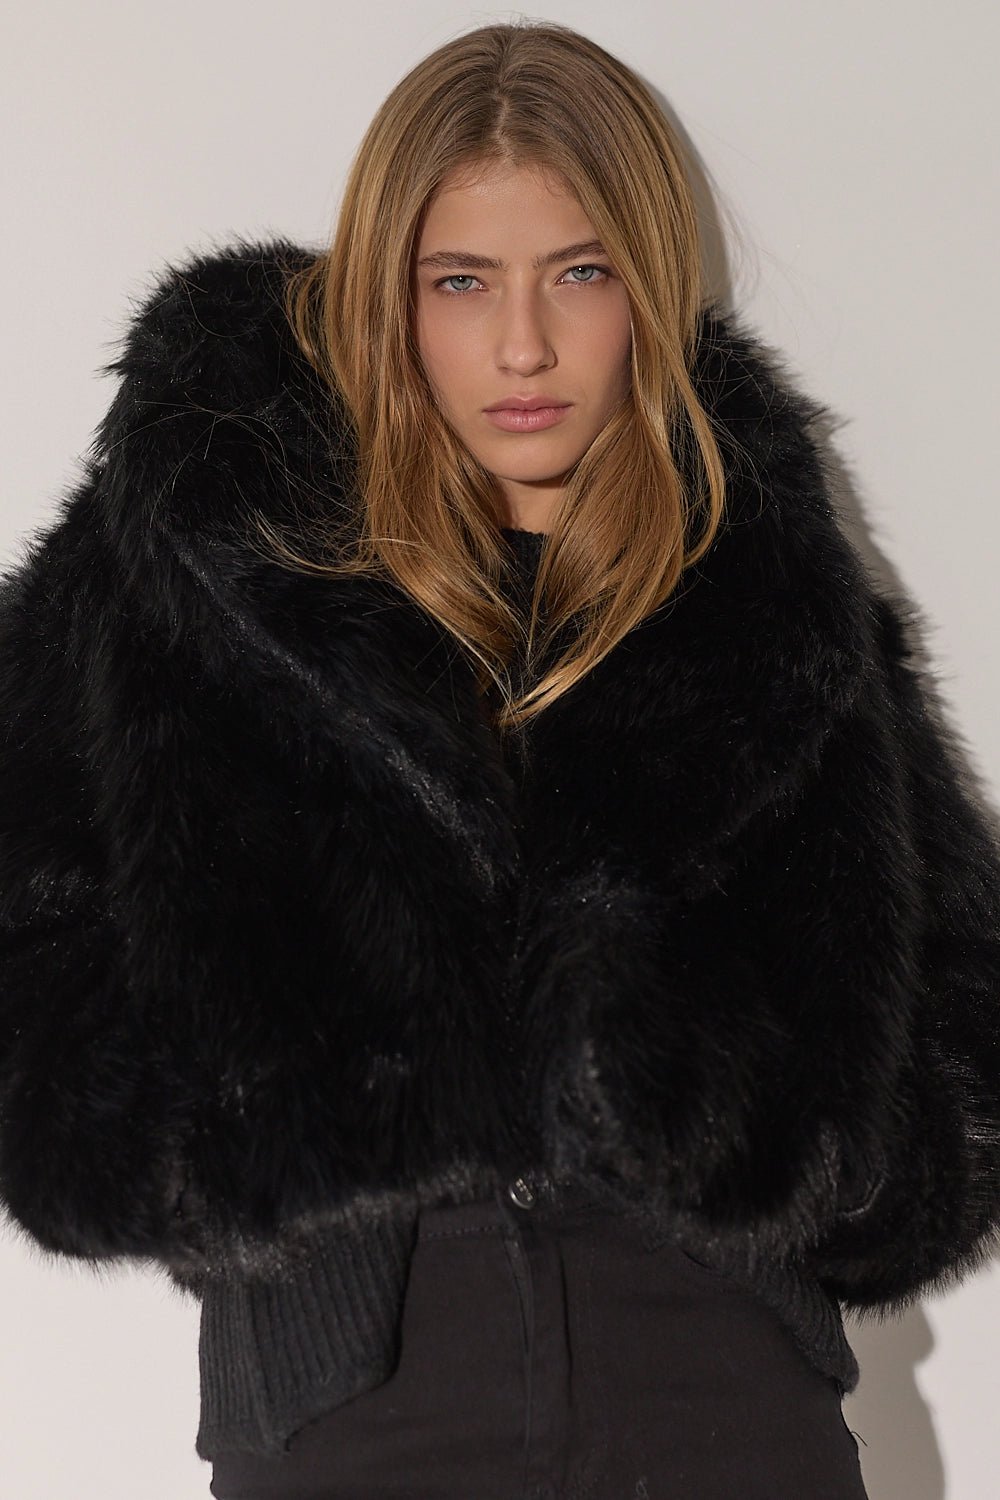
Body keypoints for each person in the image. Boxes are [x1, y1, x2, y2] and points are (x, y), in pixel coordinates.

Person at [1, 19, 998, 1500]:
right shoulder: (200, 561)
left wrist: (812, 1156)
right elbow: (29, 932)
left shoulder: (761, 590)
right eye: (459, 282)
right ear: (383, 293)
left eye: (579, 275)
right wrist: (248, 1135)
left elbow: (951, 977)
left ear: (647, 287)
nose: (522, 347)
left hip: (717, 1380)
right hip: (352, 1390)